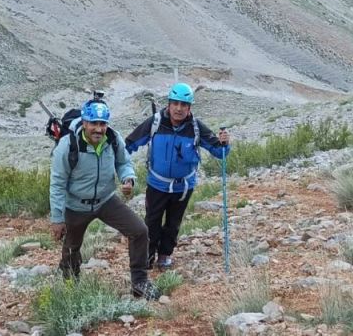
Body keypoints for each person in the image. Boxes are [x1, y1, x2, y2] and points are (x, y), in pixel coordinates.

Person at [49, 99, 158, 299]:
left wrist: (128, 178)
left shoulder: (113, 139)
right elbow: (57, 183)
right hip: (76, 205)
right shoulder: (67, 146)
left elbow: (124, 163)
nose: (99, 129)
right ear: (84, 123)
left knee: (139, 231)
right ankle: (70, 285)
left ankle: (140, 282)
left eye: (103, 123)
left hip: (106, 200)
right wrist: (57, 218)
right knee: (72, 249)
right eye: (94, 123)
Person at [125, 82, 231, 270]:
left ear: (189, 107)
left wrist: (224, 144)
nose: (179, 108)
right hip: (157, 184)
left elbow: (219, 152)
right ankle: (148, 256)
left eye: (184, 105)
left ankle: (164, 255)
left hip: (183, 187)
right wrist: (121, 167)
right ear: (169, 104)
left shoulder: (196, 127)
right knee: (152, 221)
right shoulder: (155, 122)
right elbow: (130, 144)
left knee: (173, 223)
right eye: (175, 103)